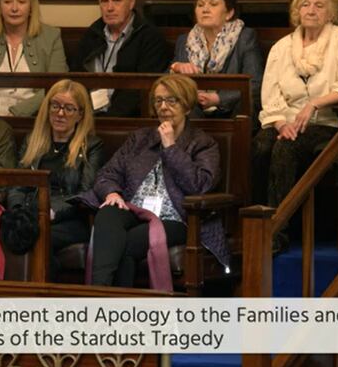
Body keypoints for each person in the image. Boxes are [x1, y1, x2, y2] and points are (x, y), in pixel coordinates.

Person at [76, 74, 227, 288]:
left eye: (171, 100)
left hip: (178, 219)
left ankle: (110, 306)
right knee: (108, 212)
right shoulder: (140, 139)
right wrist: (112, 193)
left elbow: (200, 185)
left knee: (123, 244)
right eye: (158, 100)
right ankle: (99, 296)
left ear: (186, 106)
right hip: (134, 211)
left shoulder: (202, 143)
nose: (163, 107)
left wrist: (171, 147)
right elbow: (107, 174)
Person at [252, 0, 338, 250]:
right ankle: (254, 225)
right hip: (284, 120)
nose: (311, 10)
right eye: (305, 4)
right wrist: (280, 122)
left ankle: (276, 233)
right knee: (260, 145)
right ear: (296, 10)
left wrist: (314, 104)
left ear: (330, 12)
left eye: (319, 5)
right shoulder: (282, 47)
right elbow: (270, 94)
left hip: (325, 122)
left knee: (285, 148)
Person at [5, 79, 104, 276]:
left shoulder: (91, 146)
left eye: (69, 108)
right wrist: (17, 211)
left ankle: (45, 298)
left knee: (39, 237)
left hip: (70, 219)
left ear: (80, 115)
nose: (60, 113)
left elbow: (85, 193)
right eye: (55, 106)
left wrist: (51, 212)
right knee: (8, 232)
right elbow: (18, 183)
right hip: (30, 214)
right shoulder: (33, 140)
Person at [69, 0, 169, 117]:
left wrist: (111, 118)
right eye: (104, 1)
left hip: (128, 117)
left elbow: (142, 90)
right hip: (86, 115)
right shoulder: (92, 34)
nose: (109, 8)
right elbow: (76, 77)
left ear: (131, 2)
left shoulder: (149, 37)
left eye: (116, 1)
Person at [170, 0, 264, 127]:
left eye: (213, 4)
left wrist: (218, 98)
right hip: (195, 107)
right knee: (179, 107)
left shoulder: (245, 37)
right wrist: (176, 67)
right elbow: (164, 81)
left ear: (229, 13)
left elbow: (255, 83)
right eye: (200, 5)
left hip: (232, 108)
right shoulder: (185, 40)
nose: (205, 9)